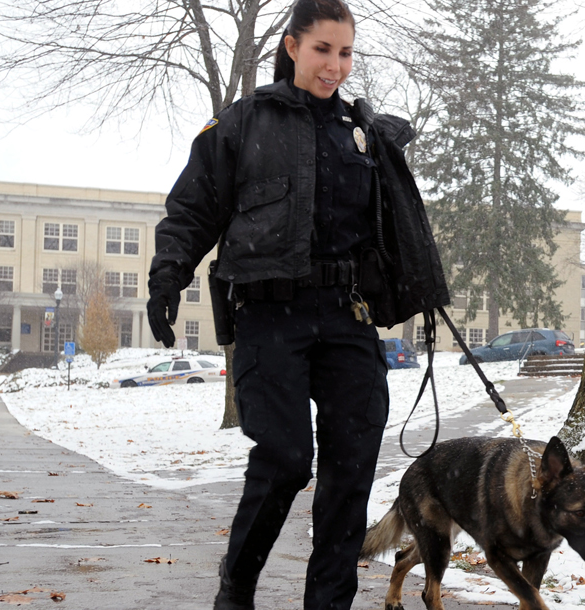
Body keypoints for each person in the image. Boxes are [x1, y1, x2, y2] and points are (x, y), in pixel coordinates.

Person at [145, 1, 448, 608]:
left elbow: (393, 226)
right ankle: (237, 588)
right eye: (322, 50)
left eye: (345, 53)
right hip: (268, 314)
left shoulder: (359, 135)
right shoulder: (244, 123)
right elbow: (193, 208)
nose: (334, 66)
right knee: (285, 459)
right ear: (291, 47)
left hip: (347, 316)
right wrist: (168, 275)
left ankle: (329, 603)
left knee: (351, 467)